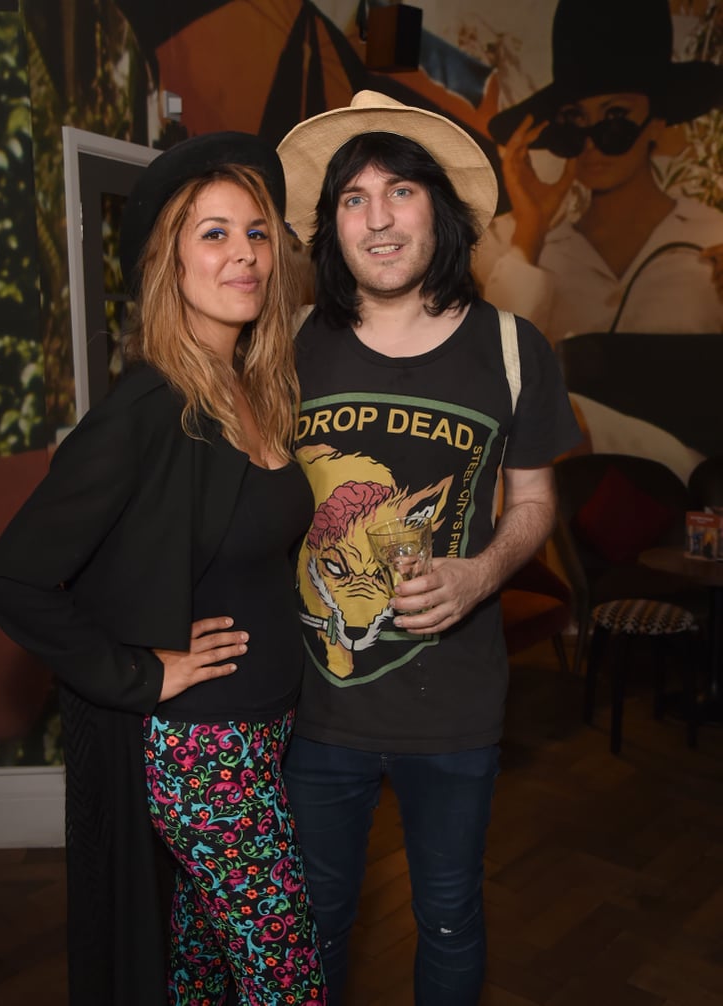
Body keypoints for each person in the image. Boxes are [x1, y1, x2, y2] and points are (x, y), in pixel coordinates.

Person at [0, 133, 326, 1006]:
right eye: (213, 233)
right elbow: (11, 577)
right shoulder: (147, 406)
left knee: (202, 975)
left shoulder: (255, 387)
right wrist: (140, 672)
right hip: (206, 753)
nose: (243, 254)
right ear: (167, 261)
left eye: (256, 232)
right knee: (291, 984)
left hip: (266, 730)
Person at [274, 90, 581, 1004]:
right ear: (331, 227)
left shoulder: (514, 349)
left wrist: (481, 572)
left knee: (448, 915)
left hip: (454, 704)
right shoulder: (289, 346)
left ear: (438, 212)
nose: (378, 218)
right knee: (314, 917)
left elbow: (533, 499)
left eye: (399, 191)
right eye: (353, 198)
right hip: (311, 706)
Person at [474, 0, 723, 482]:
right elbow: (491, 383)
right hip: (565, 499)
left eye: (614, 117)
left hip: (686, 482)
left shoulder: (712, 237)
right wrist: (532, 231)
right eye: (573, 120)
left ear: (657, 122)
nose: (590, 142)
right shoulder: (516, 245)